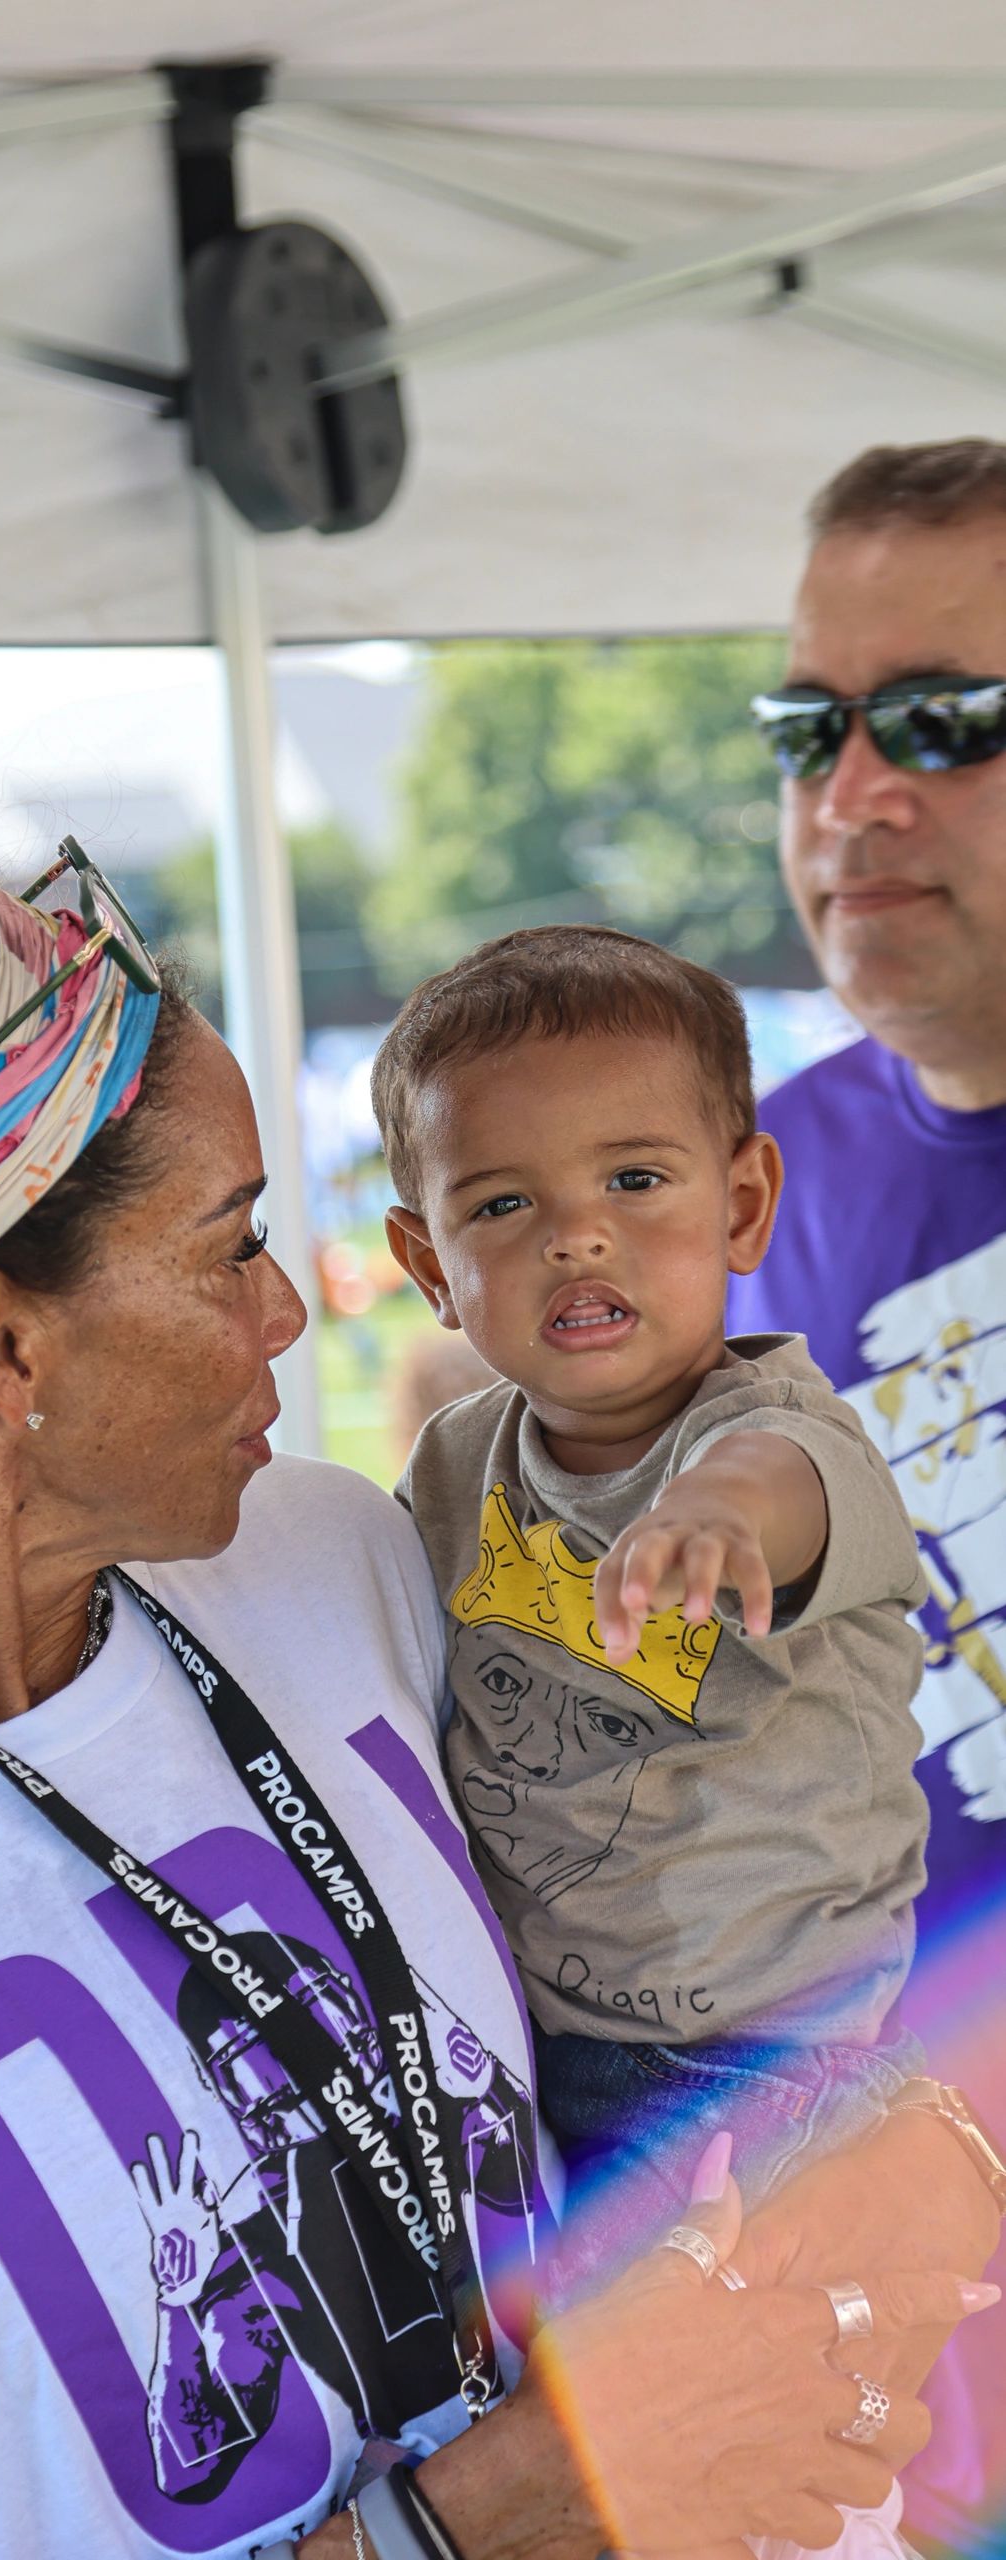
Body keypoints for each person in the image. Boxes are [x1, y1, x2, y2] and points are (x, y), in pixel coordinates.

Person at [0, 738, 998, 2560]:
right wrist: (510, 2507)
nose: (293, 1312)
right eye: (227, 1248)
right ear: (0, 1344)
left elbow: (725, 1854)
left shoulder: (332, 1566)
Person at [371, 924, 931, 2277]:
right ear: (428, 1262)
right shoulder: (455, 1467)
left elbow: (780, 1484)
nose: (577, 1235)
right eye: (501, 1205)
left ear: (742, 1206)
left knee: (760, 2403)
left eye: (635, 1178)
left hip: (777, 2065)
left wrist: (714, 1515)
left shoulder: (781, 1432)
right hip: (546, 2046)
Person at [734, 438, 1006, 2550]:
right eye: (807, 726)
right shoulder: (725, 1193)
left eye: (936, 722)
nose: (852, 793)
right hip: (916, 2312)